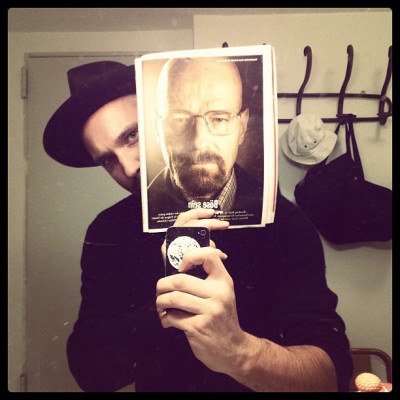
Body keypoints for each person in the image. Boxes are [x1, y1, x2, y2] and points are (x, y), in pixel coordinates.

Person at [43, 60, 353, 392]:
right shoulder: (110, 230)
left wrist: (238, 352)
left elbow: (329, 376)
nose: (128, 168)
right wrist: (166, 309)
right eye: (106, 159)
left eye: (132, 135)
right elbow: (90, 370)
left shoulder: (284, 223)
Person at [147, 57, 264, 227]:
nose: (199, 142)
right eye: (179, 119)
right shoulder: (113, 231)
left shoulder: (289, 225)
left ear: (242, 126)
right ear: (157, 127)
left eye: (219, 119)